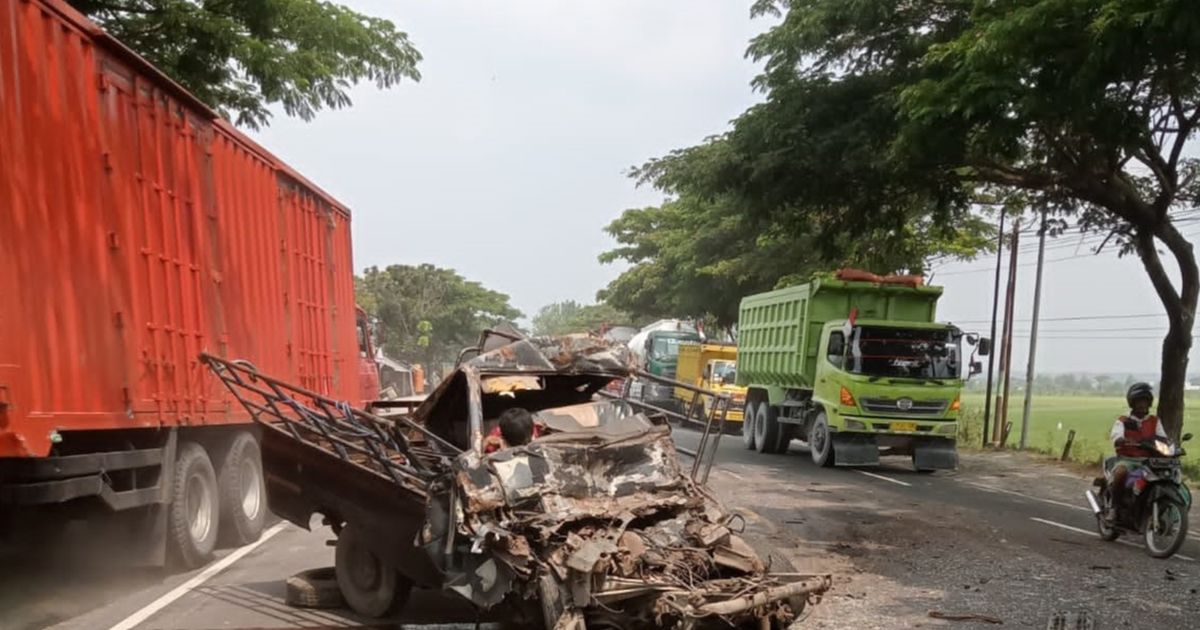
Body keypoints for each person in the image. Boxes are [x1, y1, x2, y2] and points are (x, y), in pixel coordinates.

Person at [1106, 382, 1168, 517]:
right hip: (1127, 460)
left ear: (1149, 403)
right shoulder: (1123, 421)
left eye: (1145, 401)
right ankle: (1114, 508)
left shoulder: (1154, 421)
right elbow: (1116, 436)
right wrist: (1121, 440)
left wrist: (1167, 445)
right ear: (1132, 403)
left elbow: (1163, 438)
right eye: (1139, 401)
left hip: (1149, 461)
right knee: (1120, 473)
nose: (1142, 404)